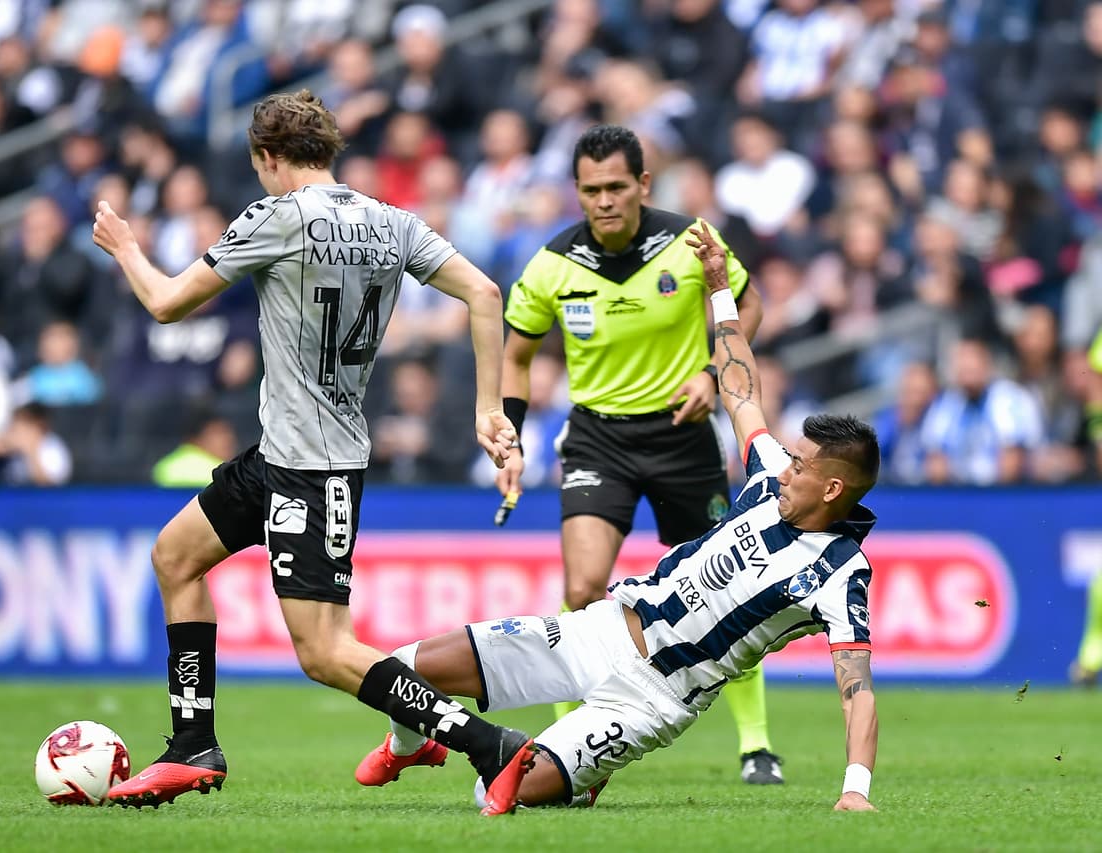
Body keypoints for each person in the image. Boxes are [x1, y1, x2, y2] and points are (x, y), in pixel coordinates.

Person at [91, 90, 536, 815]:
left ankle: (492, 745)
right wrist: (491, 409)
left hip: (313, 466)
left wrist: (128, 251)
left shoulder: (277, 217)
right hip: (282, 453)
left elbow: (168, 302)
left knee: (326, 649)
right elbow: (487, 293)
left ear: (267, 159)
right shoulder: (394, 222)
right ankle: (192, 743)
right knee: (176, 556)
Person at [356, 221, 881, 813]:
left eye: (801, 466)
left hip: (651, 698)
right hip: (599, 631)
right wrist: (718, 289)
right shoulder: (767, 476)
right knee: (399, 669)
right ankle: (411, 746)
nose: (785, 466)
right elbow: (739, 387)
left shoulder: (840, 574)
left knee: (497, 794)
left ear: (832, 486)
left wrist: (855, 792)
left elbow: (855, 687)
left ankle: (577, 772)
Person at [497, 124, 785, 784]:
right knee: (579, 587)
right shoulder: (551, 265)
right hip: (599, 437)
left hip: (683, 437)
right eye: (591, 190)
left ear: (643, 185)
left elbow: (748, 303)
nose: (604, 201)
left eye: (616, 187)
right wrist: (511, 430)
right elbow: (516, 355)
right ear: (577, 191)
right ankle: (564, 741)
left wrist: (715, 374)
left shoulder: (691, 242)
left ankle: (756, 745)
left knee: (727, 594)